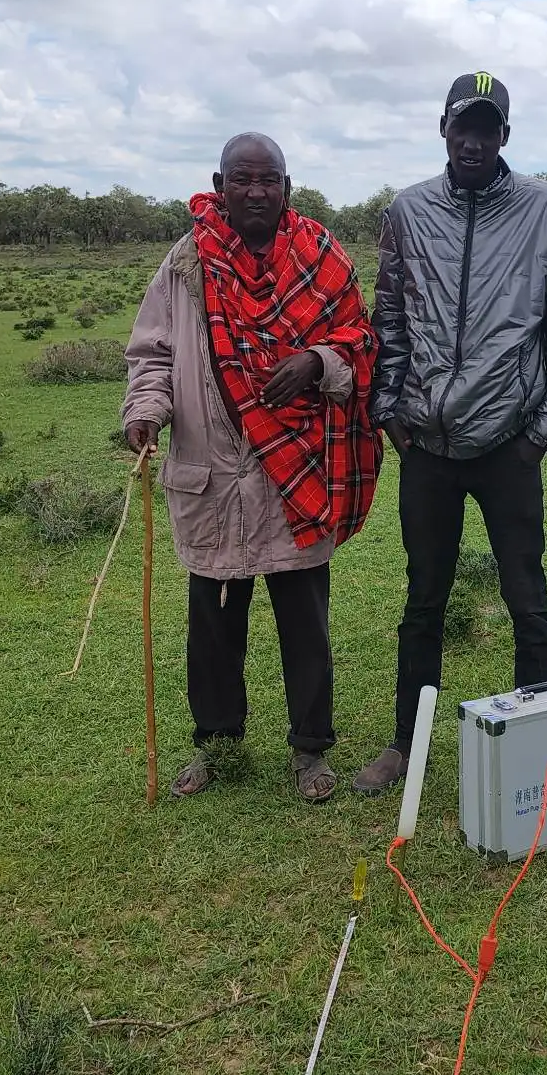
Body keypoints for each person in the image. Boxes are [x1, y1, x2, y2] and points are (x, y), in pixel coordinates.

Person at [352, 72, 547, 795]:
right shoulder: (409, 209)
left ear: (505, 138)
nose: (473, 141)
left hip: (508, 445)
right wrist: (391, 412)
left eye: (488, 130)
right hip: (426, 445)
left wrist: (544, 432)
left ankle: (542, 748)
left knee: (529, 595)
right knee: (423, 598)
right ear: (443, 129)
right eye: (464, 127)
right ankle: (407, 746)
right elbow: (389, 314)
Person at [123, 135, 382, 805]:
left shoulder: (322, 257)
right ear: (220, 183)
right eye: (244, 179)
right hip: (209, 473)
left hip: (296, 474)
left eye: (270, 179)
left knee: (305, 623)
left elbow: (360, 341)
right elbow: (151, 353)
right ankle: (216, 743)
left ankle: (310, 751)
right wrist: (146, 411)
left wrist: (318, 361)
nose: (258, 191)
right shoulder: (186, 264)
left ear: (287, 187)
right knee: (213, 625)